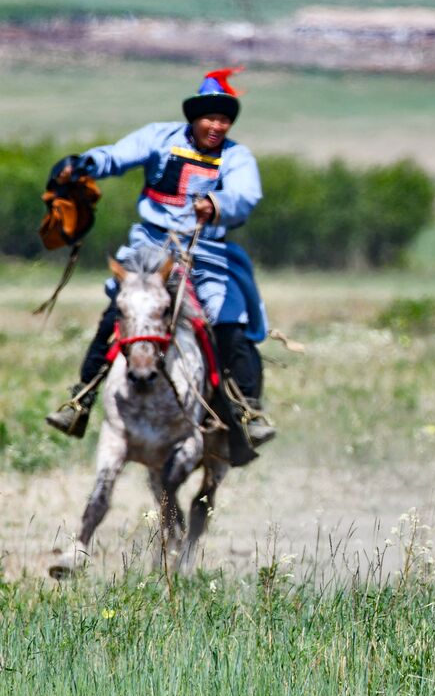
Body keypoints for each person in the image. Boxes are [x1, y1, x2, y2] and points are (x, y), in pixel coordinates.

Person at [45, 68, 274, 466]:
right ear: (194, 117)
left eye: (224, 119)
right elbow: (117, 155)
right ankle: (81, 398)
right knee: (123, 309)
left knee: (227, 322)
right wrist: (82, 164)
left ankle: (246, 410)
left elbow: (246, 194)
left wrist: (217, 205)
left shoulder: (236, 157)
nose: (217, 125)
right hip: (151, 248)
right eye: (210, 117)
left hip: (206, 254)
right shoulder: (158, 137)